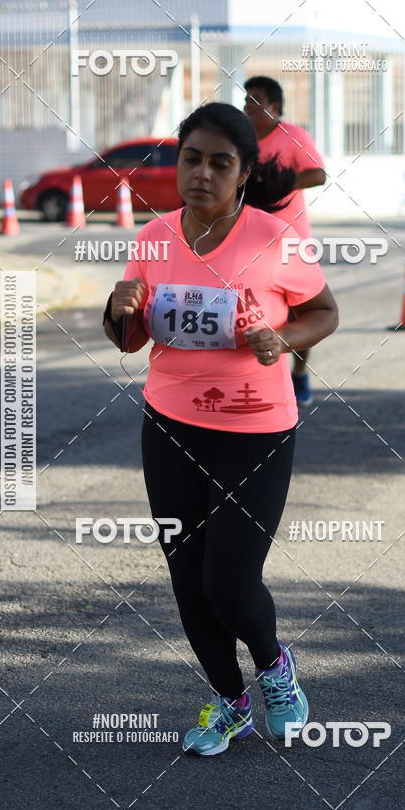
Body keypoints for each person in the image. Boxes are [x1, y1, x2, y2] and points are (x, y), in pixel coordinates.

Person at [103, 102, 338, 756]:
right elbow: (131, 337)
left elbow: (324, 309)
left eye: (220, 162)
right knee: (186, 576)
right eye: (191, 158)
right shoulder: (153, 238)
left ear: (242, 174)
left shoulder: (273, 236)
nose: (202, 173)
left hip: (255, 429)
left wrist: (281, 338)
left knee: (228, 580)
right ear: (177, 163)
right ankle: (230, 700)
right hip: (171, 424)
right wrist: (118, 308)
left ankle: (273, 666)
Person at [244, 76, 327, 407]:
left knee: (299, 312)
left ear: (274, 107)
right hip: (248, 240)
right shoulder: (243, 141)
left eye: (255, 100)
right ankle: (256, 375)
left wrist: (279, 181)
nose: (248, 106)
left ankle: (299, 372)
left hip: (290, 240)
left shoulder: (293, 136)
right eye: (245, 99)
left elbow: (318, 174)